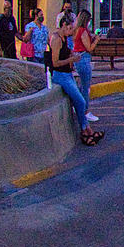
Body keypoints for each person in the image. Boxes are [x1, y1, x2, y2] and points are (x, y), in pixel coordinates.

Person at [48, 16, 104, 146]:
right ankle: (85, 130)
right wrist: (71, 60)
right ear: (63, 25)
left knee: (80, 101)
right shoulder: (56, 39)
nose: (72, 31)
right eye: (70, 28)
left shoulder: (65, 39)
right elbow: (55, 63)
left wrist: (71, 56)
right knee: (80, 100)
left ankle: (87, 129)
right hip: (60, 75)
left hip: (67, 74)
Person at [73, 10, 100, 122]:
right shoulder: (83, 31)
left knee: (82, 86)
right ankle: (85, 111)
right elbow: (89, 48)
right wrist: (96, 40)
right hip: (83, 58)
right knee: (85, 87)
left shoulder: (76, 30)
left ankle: (79, 107)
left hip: (79, 58)